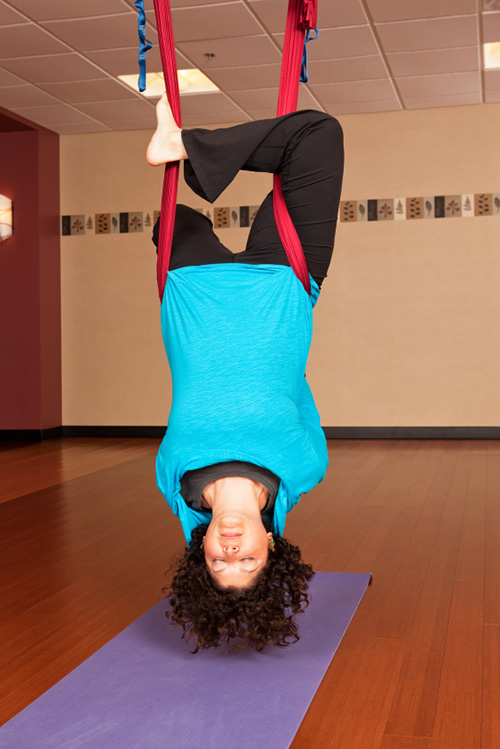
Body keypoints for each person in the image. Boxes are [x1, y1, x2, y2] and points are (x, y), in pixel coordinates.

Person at [147, 94, 344, 651]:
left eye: (220, 563)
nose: (232, 551)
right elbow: (296, 390)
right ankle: (187, 147)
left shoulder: (174, 483)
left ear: (201, 550)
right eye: (248, 561)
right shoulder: (304, 470)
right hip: (283, 280)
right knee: (317, 134)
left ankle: (184, 156)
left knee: (174, 217)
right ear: (272, 546)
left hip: (191, 287)